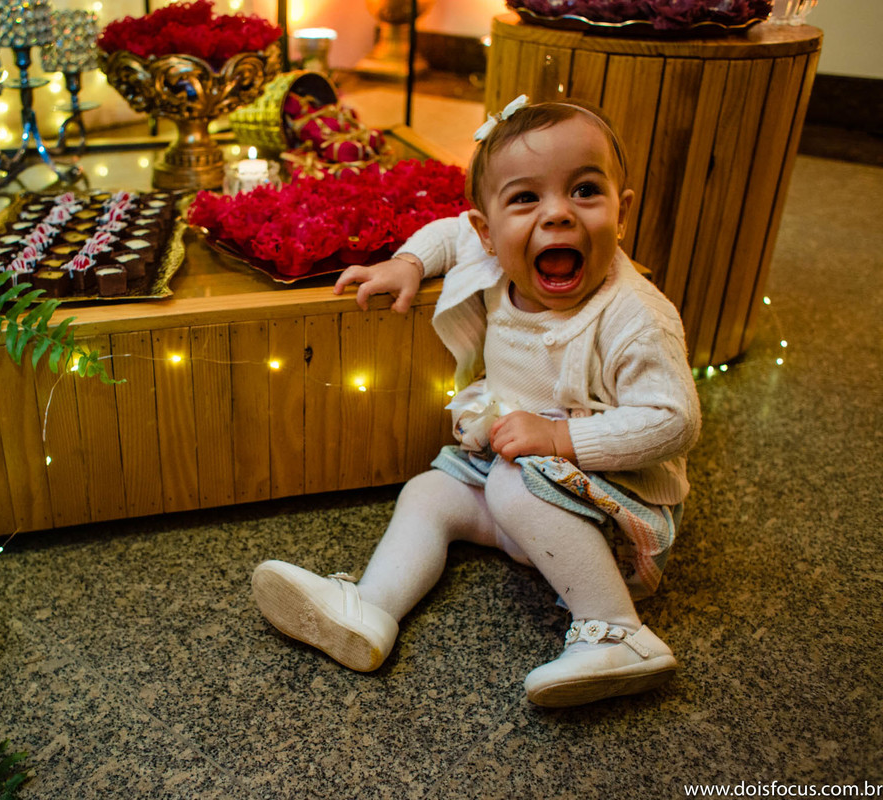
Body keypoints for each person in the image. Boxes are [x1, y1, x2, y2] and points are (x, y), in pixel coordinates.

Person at [250, 96, 702, 707]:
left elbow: (673, 421)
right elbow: (446, 232)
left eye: (585, 191)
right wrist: (409, 262)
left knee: (514, 484)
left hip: (612, 512)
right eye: (525, 198)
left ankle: (618, 631)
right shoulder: (488, 254)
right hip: (511, 476)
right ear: (488, 231)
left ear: (621, 213)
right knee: (429, 492)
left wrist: (562, 439)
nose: (558, 216)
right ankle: (371, 610)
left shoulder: (635, 316)